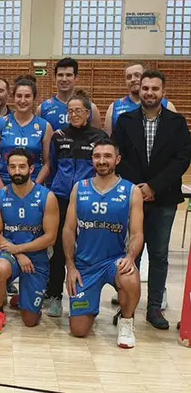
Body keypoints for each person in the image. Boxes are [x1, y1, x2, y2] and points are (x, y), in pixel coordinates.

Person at [111, 69, 191, 330]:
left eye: (154, 89)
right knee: (130, 255)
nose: (149, 93)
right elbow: (118, 155)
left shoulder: (176, 123)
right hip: (132, 199)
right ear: (139, 90)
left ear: (163, 92)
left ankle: (154, 308)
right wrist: (138, 188)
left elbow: (181, 159)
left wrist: (154, 186)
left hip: (164, 198)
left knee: (158, 255)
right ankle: (128, 308)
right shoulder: (125, 121)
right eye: (145, 88)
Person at [63, 139, 143, 348]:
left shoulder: (131, 190)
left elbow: (136, 233)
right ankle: (90, 305)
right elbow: (69, 230)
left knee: (130, 277)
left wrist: (130, 258)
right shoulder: (80, 188)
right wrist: (70, 267)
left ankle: (126, 321)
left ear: (117, 160)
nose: (102, 161)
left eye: (107, 156)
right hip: (85, 265)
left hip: (113, 260)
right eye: (97, 156)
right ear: (92, 160)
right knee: (79, 331)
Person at [45, 90, 108, 317]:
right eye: (70, 111)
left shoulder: (99, 138)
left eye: (78, 111)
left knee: (85, 251)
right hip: (61, 199)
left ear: (88, 113)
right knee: (60, 249)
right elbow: (52, 167)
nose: (73, 114)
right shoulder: (59, 136)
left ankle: (83, 297)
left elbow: (105, 171)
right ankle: (54, 295)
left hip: (87, 201)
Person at [0, 148, 59, 335]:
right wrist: (18, 253)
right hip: (9, 253)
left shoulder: (47, 197)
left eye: (22, 167)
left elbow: (50, 237)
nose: (17, 171)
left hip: (37, 256)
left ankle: (23, 297)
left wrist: (20, 249)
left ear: (31, 169)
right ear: (7, 169)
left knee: (30, 321)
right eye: (12, 167)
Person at [0, 76, 53, 194]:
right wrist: (0, 188)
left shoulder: (44, 126)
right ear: (13, 97)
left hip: (32, 184)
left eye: (27, 96)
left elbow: (48, 163)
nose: (22, 100)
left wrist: (35, 186)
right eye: (19, 96)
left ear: (34, 98)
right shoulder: (0, 124)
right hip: (4, 183)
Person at [104, 61, 176, 136]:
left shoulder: (167, 106)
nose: (132, 79)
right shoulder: (114, 107)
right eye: (129, 77)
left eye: (137, 75)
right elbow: (108, 142)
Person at [38, 57, 101, 131]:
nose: (64, 79)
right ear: (55, 77)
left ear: (76, 77)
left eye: (68, 75)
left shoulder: (91, 108)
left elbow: (97, 139)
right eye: (60, 75)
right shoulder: (43, 108)